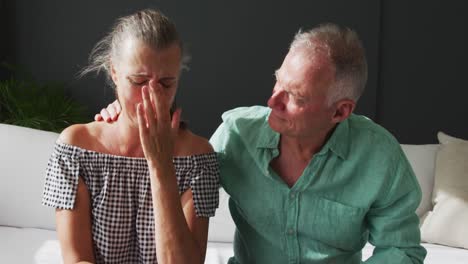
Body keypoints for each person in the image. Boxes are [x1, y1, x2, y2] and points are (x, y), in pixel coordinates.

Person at [97, 23, 426, 263]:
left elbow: (402, 249)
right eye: (277, 81)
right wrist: (124, 116)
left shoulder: (380, 158)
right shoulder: (238, 133)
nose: (272, 100)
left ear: (340, 111)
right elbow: (175, 159)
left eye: (294, 96)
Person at [42, 9, 219, 264]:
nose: (153, 97)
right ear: (114, 72)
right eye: (138, 81)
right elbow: (76, 259)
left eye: (167, 83)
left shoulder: (198, 158)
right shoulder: (76, 149)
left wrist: (161, 166)